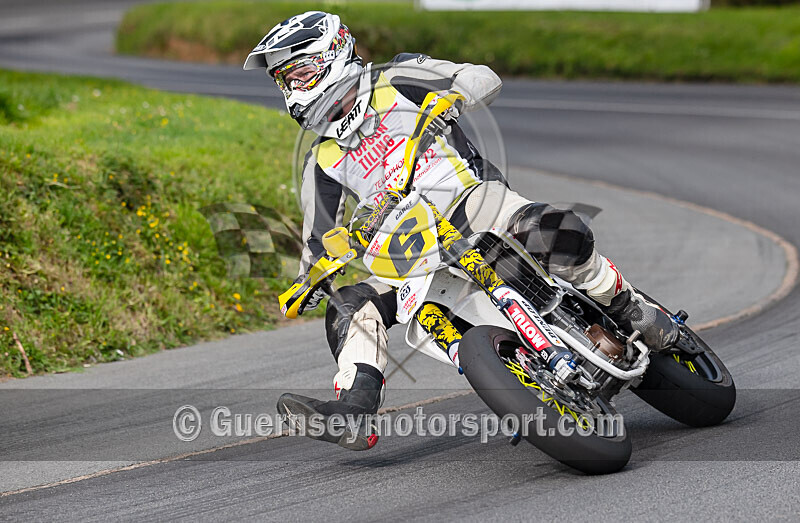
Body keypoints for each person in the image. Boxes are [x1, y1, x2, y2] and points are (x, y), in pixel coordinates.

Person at [243, 10, 678, 449]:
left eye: (300, 72)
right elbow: (318, 239)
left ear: (334, 53)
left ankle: (625, 304)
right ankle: (355, 409)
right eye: (285, 79)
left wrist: (456, 94)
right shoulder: (319, 161)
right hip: (410, 255)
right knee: (349, 304)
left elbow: (480, 76)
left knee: (550, 229)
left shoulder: (397, 77)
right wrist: (310, 278)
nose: (294, 88)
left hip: (474, 206)